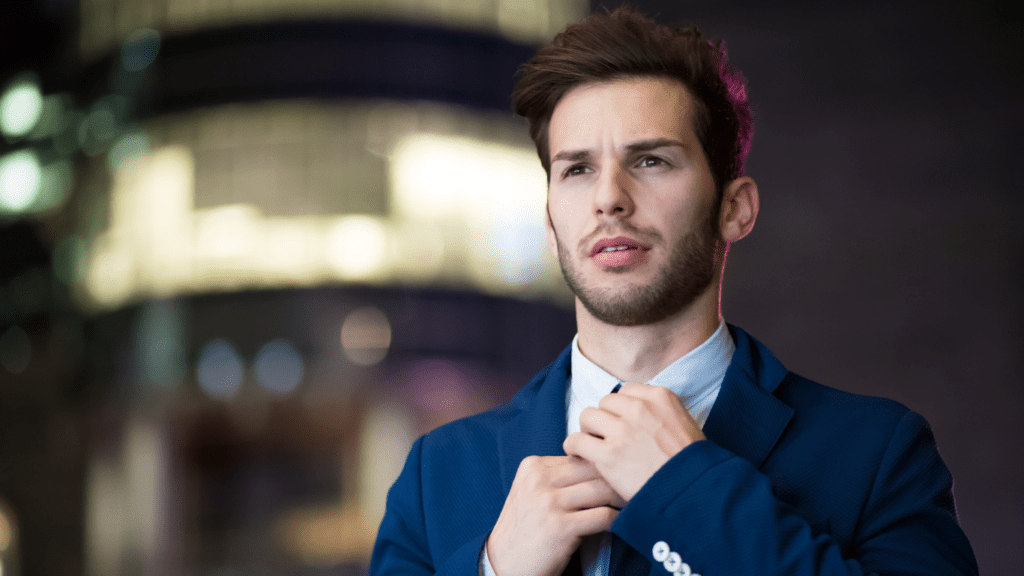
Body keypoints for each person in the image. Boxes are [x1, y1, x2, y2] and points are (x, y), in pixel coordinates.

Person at [370, 6, 977, 576]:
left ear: (734, 210)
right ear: (552, 227)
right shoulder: (435, 475)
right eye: (577, 169)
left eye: (651, 161)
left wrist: (690, 490)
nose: (609, 197)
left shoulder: (879, 456)